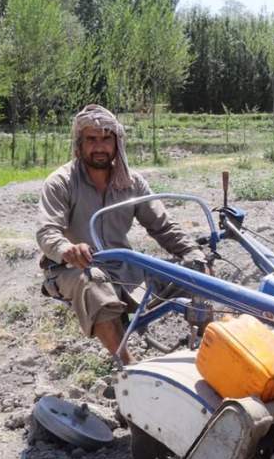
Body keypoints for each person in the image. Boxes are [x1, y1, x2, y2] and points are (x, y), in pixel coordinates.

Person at [36, 104, 204, 365]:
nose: (99, 147)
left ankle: (208, 349)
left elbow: (163, 226)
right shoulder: (61, 182)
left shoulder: (132, 183)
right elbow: (47, 232)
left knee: (195, 272)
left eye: (106, 139)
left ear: (117, 143)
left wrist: (193, 254)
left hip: (124, 268)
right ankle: (130, 371)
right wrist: (67, 249)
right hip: (72, 269)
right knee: (94, 282)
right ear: (79, 145)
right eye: (91, 139)